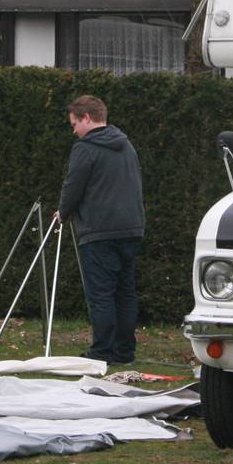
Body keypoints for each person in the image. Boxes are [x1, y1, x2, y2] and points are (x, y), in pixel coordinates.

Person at [56, 95, 145, 364]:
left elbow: (74, 185)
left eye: (74, 124)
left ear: (86, 118)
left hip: (99, 229)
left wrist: (63, 212)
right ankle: (125, 351)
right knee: (125, 291)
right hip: (131, 228)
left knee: (101, 293)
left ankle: (103, 351)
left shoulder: (85, 148)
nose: (73, 130)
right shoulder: (126, 145)